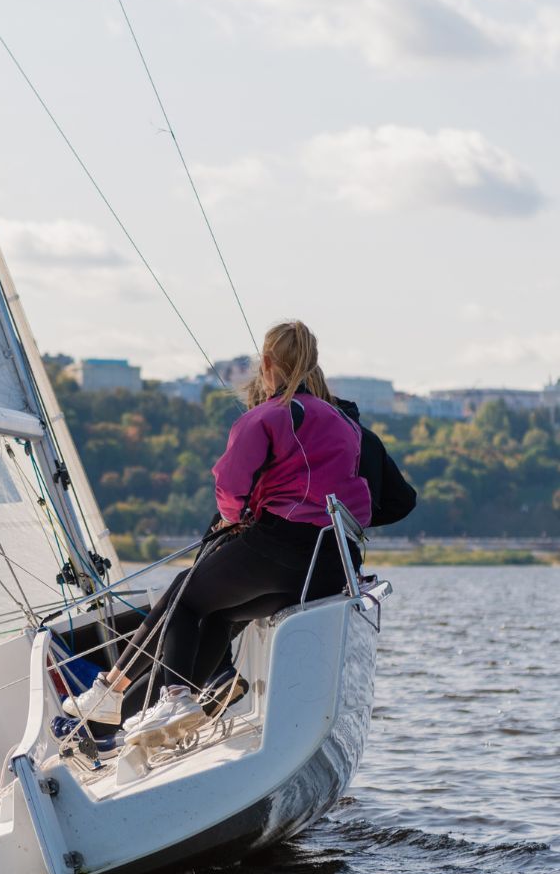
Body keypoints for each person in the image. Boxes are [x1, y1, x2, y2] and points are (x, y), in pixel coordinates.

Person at [64, 319, 375, 744]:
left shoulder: (266, 417)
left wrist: (235, 516)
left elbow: (229, 490)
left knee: (185, 595)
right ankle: (160, 705)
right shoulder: (345, 424)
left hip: (281, 546)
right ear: (313, 364)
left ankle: (145, 693)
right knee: (221, 612)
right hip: (330, 565)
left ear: (266, 364)